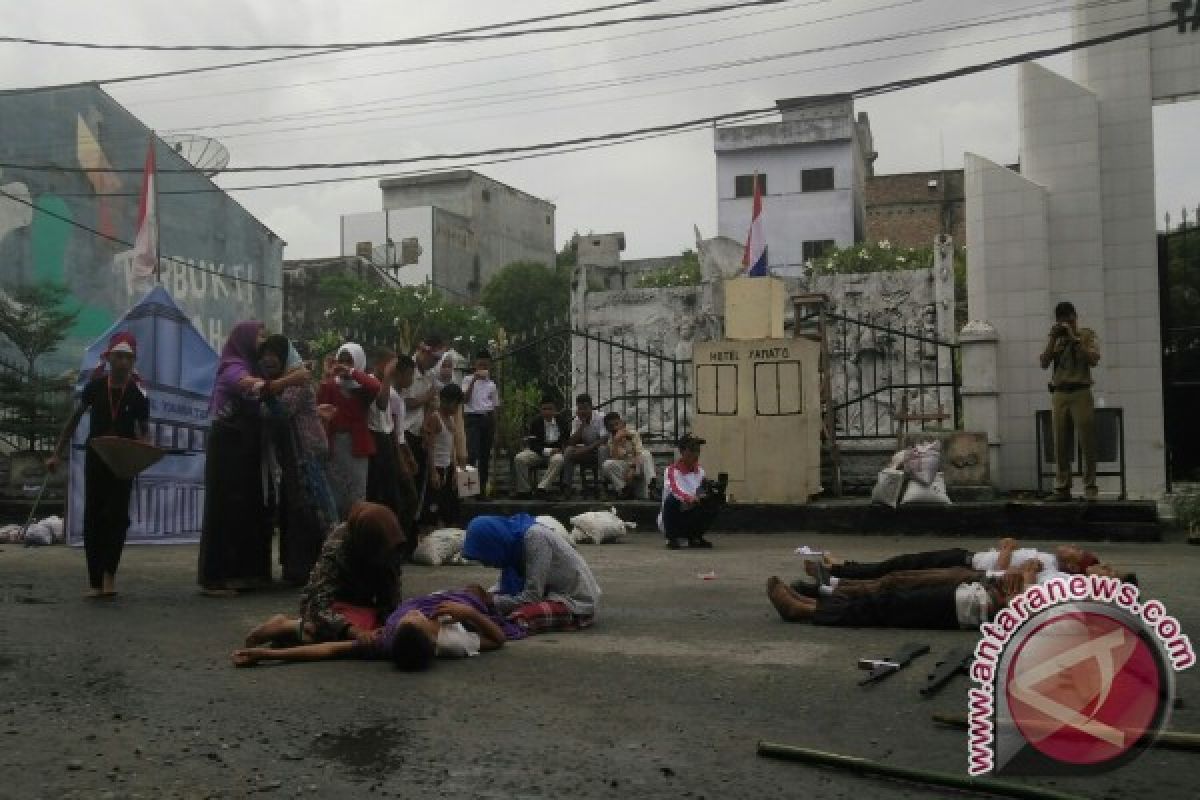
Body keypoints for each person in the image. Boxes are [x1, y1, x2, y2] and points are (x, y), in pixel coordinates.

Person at [200, 321, 306, 595]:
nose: (262, 342)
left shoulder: (251, 366)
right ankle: (216, 578)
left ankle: (247, 573)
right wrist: (288, 381)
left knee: (248, 510)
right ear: (244, 338)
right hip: (228, 447)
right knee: (224, 511)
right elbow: (253, 388)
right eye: (259, 336)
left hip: (247, 448)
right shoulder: (232, 367)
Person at [46, 332, 149, 598]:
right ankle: (94, 580)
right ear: (109, 357)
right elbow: (73, 421)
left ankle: (109, 575)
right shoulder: (94, 388)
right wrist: (56, 454)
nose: (123, 363)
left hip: (123, 464)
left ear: (133, 361)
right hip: (97, 459)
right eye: (119, 356)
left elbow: (144, 434)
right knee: (94, 516)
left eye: (128, 358)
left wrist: (144, 455)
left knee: (118, 519)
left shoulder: (138, 396)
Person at [232, 585, 522, 670]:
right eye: (414, 618)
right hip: (463, 601)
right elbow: (497, 640)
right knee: (477, 591)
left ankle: (289, 627)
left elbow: (331, 650)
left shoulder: (385, 641)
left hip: (433, 597)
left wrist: (265, 656)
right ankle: (288, 626)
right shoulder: (452, 642)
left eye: (410, 619)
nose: (414, 615)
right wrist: (469, 611)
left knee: (348, 620)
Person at [243, 501, 405, 648]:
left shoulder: (390, 546)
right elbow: (318, 606)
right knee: (328, 631)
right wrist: (355, 632)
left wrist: (391, 626)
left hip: (361, 606)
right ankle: (287, 627)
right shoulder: (338, 546)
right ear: (369, 544)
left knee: (385, 632)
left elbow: (391, 601)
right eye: (383, 553)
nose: (389, 557)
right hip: (330, 606)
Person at [258, 335, 338, 585]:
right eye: (264, 354)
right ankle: (296, 566)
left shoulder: (298, 380)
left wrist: (266, 392)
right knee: (293, 511)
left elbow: (282, 412)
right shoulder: (284, 380)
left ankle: (313, 569)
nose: (268, 359)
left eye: (274, 353)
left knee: (310, 511)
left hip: (305, 454)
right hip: (291, 456)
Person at [765, 558, 1046, 630]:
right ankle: (817, 600)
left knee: (892, 605)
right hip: (984, 589)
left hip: (980, 606)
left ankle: (805, 610)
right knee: (895, 585)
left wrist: (1027, 583)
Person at [462, 514, 601, 634]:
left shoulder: (535, 538)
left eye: (485, 557)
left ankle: (490, 632)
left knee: (519, 617)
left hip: (574, 600)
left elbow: (532, 596)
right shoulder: (512, 547)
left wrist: (490, 601)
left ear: (492, 544)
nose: (487, 565)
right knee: (491, 607)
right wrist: (480, 597)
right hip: (548, 593)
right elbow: (503, 587)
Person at [806, 539, 1098, 583]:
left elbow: (997, 576)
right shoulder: (1047, 558)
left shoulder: (1047, 573)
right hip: (967, 557)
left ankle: (839, 573)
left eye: (1076, 551)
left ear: (1073, 567)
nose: (1071, 547)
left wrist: (1007, 550)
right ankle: (844, 567)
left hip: (966, 570)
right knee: (903, 561)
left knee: (901, 572)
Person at [1039, 300, 1101, 501]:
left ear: (1076, 317)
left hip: (1081, 391)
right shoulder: (1057, 339)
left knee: (1087, 440)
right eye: (1063, 321)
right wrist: (1053, 338)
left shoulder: (1086, 334)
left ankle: (1090, 488)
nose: (1068, 324)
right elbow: (1044, 362)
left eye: (1070, 319)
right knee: (1060, 442)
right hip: (1059, 393)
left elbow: (1093, 359)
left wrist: (1074, 338)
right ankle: (1062, 488)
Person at [317, 342, 382, 519]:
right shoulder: (332, 385)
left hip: (356, 447)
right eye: (342, 360)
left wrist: (351, 372)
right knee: (335, 494)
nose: (344, 364)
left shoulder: (363, 386)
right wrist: (328, 375)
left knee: (356, 495)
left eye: (349, 361)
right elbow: (320, 404)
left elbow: (376, 387)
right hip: (336, 444)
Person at [659, 434, 719, 550]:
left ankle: (695, 536)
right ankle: (672, 538)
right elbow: (675, 490)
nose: (696, 454)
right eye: (691, 450)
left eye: (697, 450)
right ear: (682, 451)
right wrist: (689, 498)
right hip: (674, 516)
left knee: (713, 504)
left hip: (690, 511)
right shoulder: (671, 470)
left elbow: (702, 490)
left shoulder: (700, 471)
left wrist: (709, 494)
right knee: (671, 500)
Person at [421, 383, 464, 530]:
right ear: (448, 401)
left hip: (448, 467)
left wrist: (455, 468)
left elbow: (451, 446)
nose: (456, 409)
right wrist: (433, 472)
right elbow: (430, 447)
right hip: (437, 468)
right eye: (456, 405)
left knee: (451, 510)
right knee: (432, 511)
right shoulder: (435, 418)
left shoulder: (451, 420)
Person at [551, 393, 609, 497]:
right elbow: (571, 442)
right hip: (586, 451)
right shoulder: (577, 420)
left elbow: (604, 439)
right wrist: (582, 425)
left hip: (598, 451)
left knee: (603, 449)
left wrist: (587, 448)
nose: (582, 411)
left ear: (591, 407)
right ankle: (567, 486)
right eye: (580, 408)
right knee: (568, 450)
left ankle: (602, 485)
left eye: (585, 408)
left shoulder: (600, 417)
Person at [512, 397, 570, 499]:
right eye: (544, 409)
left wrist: (560, 449)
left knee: (559, 459)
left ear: (555, 410)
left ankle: (542, 489)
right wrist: (547, 451)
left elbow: (566, 439)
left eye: (550, 409)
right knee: (519, 458)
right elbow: (533, 444)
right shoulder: (535, 422)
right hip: (538, 451)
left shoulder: (562, 421)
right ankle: (524, 491)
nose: (547, 412)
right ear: (540, 410)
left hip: (556, 452)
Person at [462, 350, 500, 498]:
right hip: (472, 418)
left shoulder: (492, 385)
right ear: (475, 365)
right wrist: (474, 380)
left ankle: (482, 491)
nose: (483, 367)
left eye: (485, 364)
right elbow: (464, 399)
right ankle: (467, 491)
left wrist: (496, 429)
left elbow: (495, 407)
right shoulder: (467, 379)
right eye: (480, 364)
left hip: (487, 419)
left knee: (484, 457)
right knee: (471, 454)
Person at [600, 411, 657, 499]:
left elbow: (638, 453)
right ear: (608, 428)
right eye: (611, 426)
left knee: (646, 454)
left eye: (617, 424)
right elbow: (616, 458)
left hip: (637, 466)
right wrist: (616, 441)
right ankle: (624, 490)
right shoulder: (611, 440)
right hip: (624, 469)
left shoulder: (633, 433)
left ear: (621, 423)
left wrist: (633, 468)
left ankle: (652, 487)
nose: (615, 427)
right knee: (607, 464)